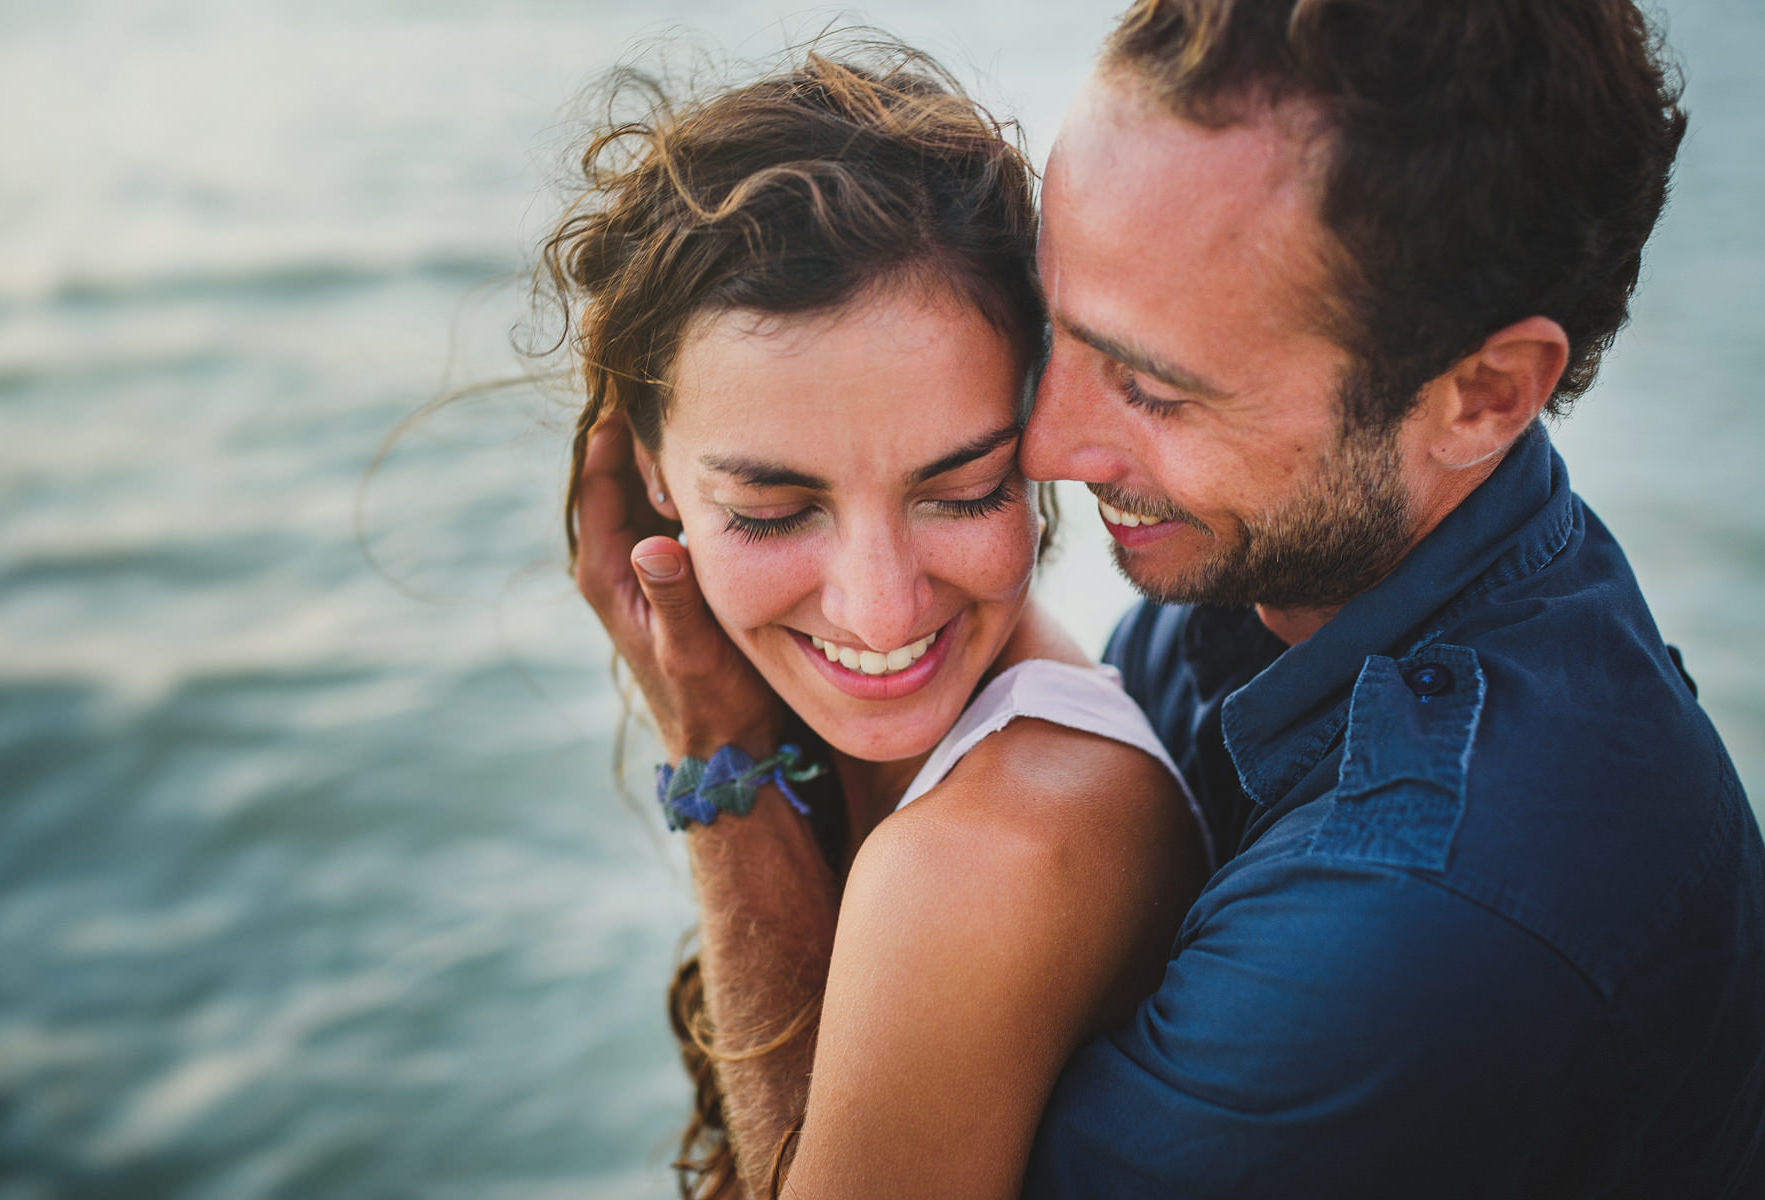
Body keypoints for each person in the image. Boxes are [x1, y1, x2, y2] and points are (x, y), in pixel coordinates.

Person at [575, 2, 1765, 1198]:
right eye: (1062, 336)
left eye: (1153, 387)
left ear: (1485, 396)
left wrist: (720, 764)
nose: (1045, 447)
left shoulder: (1408, 928)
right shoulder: (1271, 579)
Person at [552, 45, 1208, 1200]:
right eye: (771, 511)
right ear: (651, 471)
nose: (879, 606)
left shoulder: (991, 852)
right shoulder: (938, 762)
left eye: (963, 493)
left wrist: (716, 756)